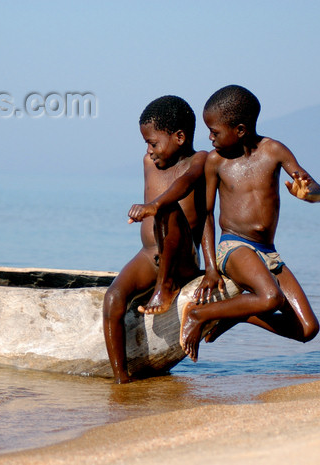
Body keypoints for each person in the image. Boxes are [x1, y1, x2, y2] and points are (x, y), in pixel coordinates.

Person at [180, 85, 320, 362]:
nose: (209, 137)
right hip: (233, 247)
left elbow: (316, 189)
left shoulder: (274, 151)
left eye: (215, 131)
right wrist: (210, 268)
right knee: (271, 298)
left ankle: (242, 313)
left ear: (241, 130)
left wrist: (310, 195)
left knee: (308, 329)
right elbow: (206, 215)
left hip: (268, 253)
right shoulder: (215, 162)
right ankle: (198, 313)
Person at [103, 95, 207, 383]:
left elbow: (184, 184)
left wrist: (154, 205)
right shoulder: (149, 161)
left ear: (180, 137)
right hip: (149, 254)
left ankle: (166, 285)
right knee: (113, 298)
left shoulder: (200, 161)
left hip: (182, 260)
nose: (149, 150)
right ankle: (121, 381)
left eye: (153, 142)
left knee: (167, 207)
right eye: (146, 143)